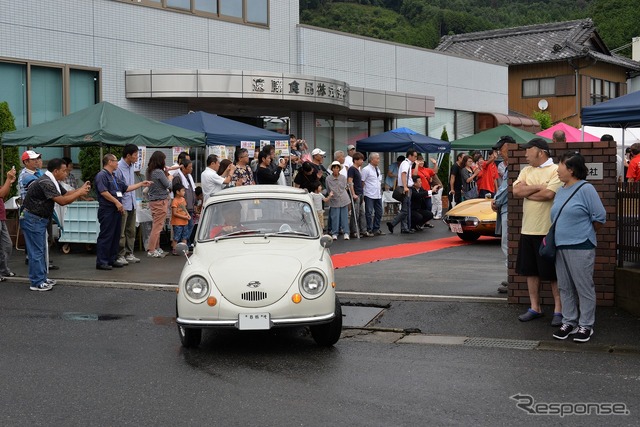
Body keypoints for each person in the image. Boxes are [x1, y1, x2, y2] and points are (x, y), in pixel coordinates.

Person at [551, 152, 606, 343]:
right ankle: (569, 321)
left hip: (581, 245)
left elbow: (600, 217)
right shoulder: (561, 190)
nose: (557, 169)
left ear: (571, 169)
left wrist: (585, 234)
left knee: (583, 287)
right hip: (560, 245)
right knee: (564, 287)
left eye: (560, 165)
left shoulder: (586, 189)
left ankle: (586, 325)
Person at [513, 138, 563, 325]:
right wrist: (538, 187)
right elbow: (517, 191)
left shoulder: (556, 170)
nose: (525, 153)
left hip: (547, 230)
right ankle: (535, 307)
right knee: (530, 271)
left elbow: (549, 194)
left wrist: (529, 190)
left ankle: (559, 310)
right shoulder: (526, 170)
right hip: (528, 229)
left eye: (529, 150)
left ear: (541, 151)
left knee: (552, 273)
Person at [20, 159, 90, 290]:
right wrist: (79, 193)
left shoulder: (52, 180)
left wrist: (80, 189)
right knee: (36, 251)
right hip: (33, 219)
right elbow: (62, 201)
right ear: (56, 171)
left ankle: (42, 278)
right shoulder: (46, 182)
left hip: (38, 219)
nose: (66, 173)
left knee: (41, 250)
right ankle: (36, 282)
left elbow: (66, 193)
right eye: (64, 171)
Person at [95, 154, 151, 271]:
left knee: (116, 235)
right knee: (107, 235)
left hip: (117, 210)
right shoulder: (102, 175)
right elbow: (103, 192)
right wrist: (116, 202)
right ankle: (102, 261)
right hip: (107, 209)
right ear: (109, 162)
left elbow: (125, 188)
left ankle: (112, 258)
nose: (117, 163)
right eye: (115, 161)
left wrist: (141, 184)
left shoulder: (114, 176)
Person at [491, 136, 515, 294]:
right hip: (506, 208)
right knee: (506, 244)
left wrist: (496, 201)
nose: (500, 152)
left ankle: (512, 279)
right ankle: (511, 277)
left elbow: (506, 188)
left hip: (508, 208)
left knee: (507, 244)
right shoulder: (508, 166)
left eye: (502, 148)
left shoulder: (513, 165)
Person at [115, 144, 142, 266]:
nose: (137, 157)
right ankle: (120, 255)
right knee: (121, 231)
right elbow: (119, 188)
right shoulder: (119, 167)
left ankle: (129, 253)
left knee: (131, 230)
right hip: (123, 203)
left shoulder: (131, 166)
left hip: (132, 202)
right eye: (135, 155)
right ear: (128, 155)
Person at [146, 151, 173, 258]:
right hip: (160, 202)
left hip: (154, 201)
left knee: (156, 226)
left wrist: (165, 173)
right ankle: (152, 250)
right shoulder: (158, 172)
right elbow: (168, 185)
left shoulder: (150, 171)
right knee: (157, 227)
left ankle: (156, 248)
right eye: (164, 159)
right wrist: (170, 177)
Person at [387, 149, 418, 234]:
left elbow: (411, 175)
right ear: (410, 156)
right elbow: (403, 174)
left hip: (407, 188)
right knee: (405, 210)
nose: (416, 158)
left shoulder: (408, 164)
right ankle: (393, 224)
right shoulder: (406, 164)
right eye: (415, 156)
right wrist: (405, 187)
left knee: (406, 209)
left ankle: (404, 227)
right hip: (406, 188)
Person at [172, 159, 197, 246]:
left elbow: (193, 190)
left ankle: (185, 244)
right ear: (183, 168)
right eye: (189, 167)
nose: (191, 169)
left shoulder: (189, 177)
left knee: (189, 226)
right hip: (182, 207)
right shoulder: (178, 177)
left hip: (189, 205)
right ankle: (179, 246)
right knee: (180, 230)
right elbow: (176, 191)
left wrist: (195, 203)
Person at [325, 161, 350, 240]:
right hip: (334, 199)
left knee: (344, 217)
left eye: (337, 168)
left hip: (343, 198)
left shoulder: (343, 177)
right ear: (332, 169)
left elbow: (345, 187)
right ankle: (334, 232)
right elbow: (328, 189)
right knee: (335, 217)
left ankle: (346, 232)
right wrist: (331, 195)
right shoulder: (328, 178)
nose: (336, 169)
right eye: (334, 168)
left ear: (339, 169)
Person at [0, 166, 17, 282]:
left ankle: (3, 270)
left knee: (7, 245)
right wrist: (8, 179)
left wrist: (9, 182)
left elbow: (3, 194)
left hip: (1, 218)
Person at [361, 152, 384, 236]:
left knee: (379, 212)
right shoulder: (366, 169)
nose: (379, 160)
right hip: (369, 194)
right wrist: (363, 193)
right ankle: (369, 229)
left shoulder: (377, 169)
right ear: (371, 159)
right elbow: (362, 182)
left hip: (378, 194)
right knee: (369, 212)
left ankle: (376, 228)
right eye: (377, 158)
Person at [347, 152, 367, 237]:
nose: (362, 161)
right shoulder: (352, 169)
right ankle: (353, 231)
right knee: (356, 213)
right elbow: (350, 181)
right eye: (361, 159)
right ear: (355, 160)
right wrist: (353, 193)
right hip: (356, 193)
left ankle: (363, 230)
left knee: (362, 212)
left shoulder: (358, 170)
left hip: (360, 192)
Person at [170, 183, 191, 255]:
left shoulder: (183, 199)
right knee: (176, 236)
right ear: (177, 192)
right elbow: (174, 213)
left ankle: (184, 250)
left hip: (185, 222)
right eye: (183, 191)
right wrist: (184, 217)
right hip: (177, 223)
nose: (184, 192)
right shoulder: (175, 201)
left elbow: (184, 209)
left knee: (185, 236)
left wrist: (187, 215)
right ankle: (174, 249)